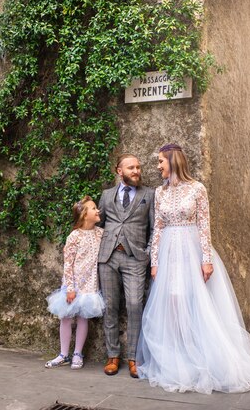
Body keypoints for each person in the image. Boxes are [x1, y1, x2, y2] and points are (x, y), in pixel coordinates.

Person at [136, 143, 250, 394]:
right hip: (168, 253)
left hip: (191, 250)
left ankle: (200, 356)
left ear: (173, 161)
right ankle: (178, 358)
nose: (158, 166)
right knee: (172, 303)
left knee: (196, 302)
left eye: (161, 161)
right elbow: (158, 228)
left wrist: (206, 258)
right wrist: (155, 261)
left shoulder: (198, 189)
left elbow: (204, 225)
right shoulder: (159, 193)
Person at [97, 154, 155, 378]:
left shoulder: (149, 195)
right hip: (108, 258)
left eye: (138, 167)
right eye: (131, 167)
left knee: (134, 305)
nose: (136, 171)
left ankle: (134, 357)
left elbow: (154, 228)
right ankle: (112, 356)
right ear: (119, 171)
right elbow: (98, 225)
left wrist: (148, 253)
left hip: (135, 259)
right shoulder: (106, 195)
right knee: (110, 306)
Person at [45, 196, 105, 370]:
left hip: (90, 285)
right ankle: (63, 354)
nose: (98, 210)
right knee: (66, 317)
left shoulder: (100, 234)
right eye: (93, 208)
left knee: (83, 318)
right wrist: (70, 288)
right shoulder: (74, 236)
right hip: (73, 284)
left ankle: (78, 353)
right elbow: (68, 264)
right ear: (84, 215)